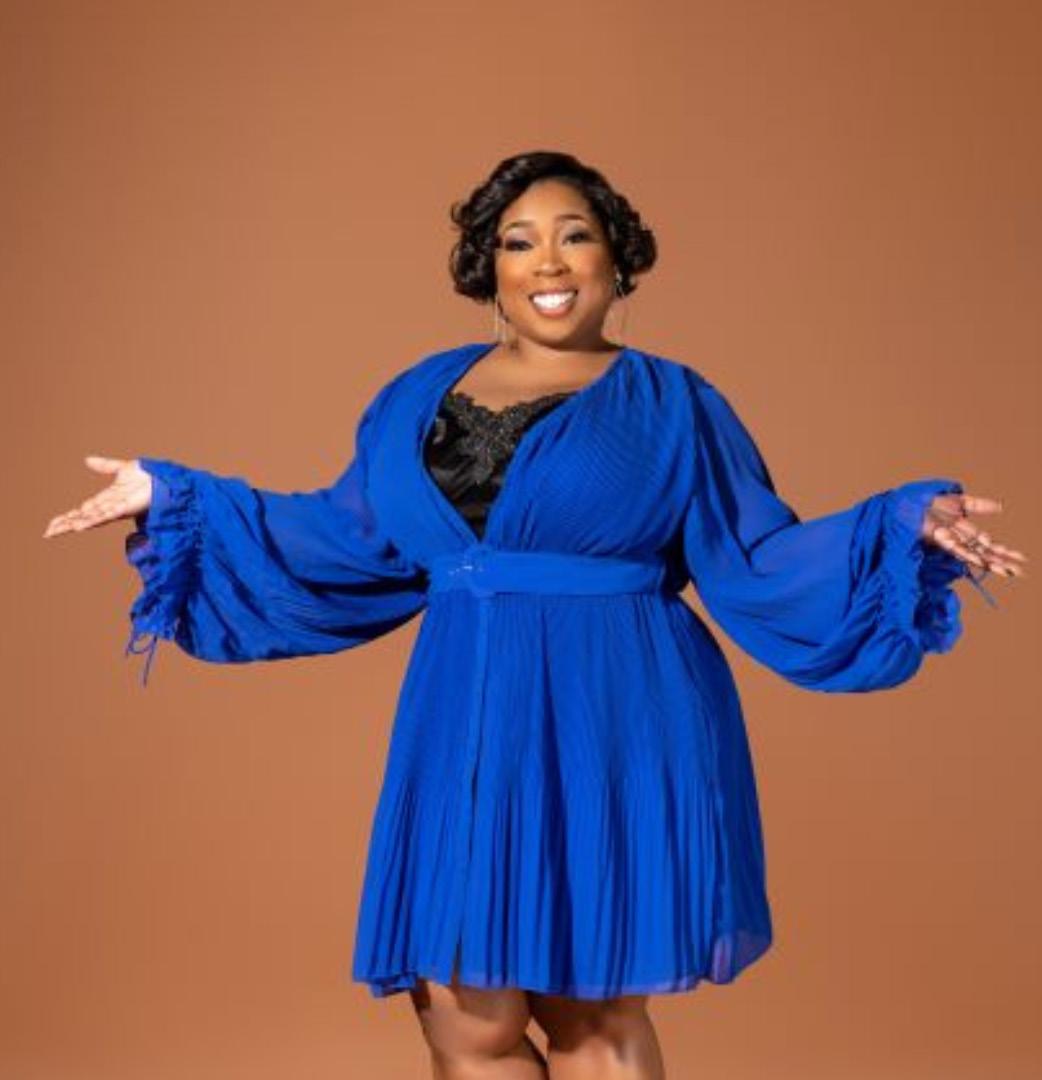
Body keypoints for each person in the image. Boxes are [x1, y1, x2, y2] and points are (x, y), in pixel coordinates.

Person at [42, 150, 1027, 1080]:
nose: (548, 262)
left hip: (618, 708)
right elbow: (346, 534)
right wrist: (175, 498)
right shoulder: (414, 396)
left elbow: (758, 551)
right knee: (464, 1016)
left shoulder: (673, 404)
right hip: (462, 710)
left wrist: (897, 525)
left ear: (617, 261)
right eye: (519, 241)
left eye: (575, 235)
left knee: (592, 1007)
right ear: (490, 268)